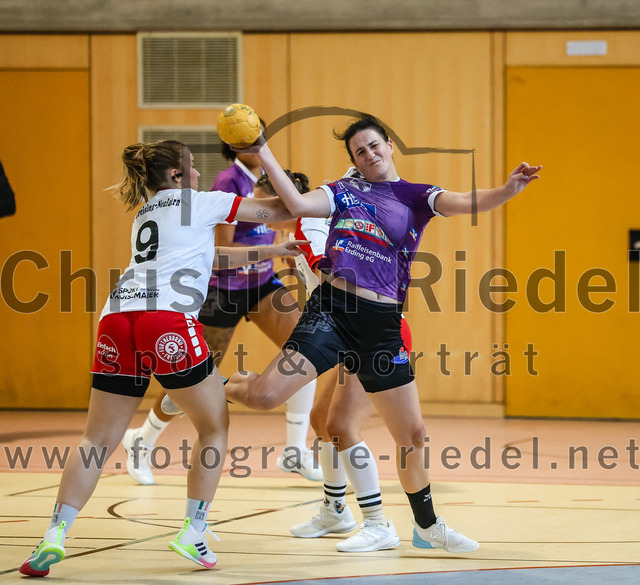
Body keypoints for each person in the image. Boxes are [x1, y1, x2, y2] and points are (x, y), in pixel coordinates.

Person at [225, 114, 542, 553]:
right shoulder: (341, 192)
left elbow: (465, 201)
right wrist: (262, 149)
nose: (369, 154)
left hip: (381, 325)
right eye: (360, 151)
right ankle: (214, 386)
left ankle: (427, 526)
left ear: (390, 145)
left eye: (374, 145)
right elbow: (295, 204)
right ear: (354, 161)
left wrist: (507, 190)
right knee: (264, 396)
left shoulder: (415, 196)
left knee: (411, 435)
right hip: (331, 313)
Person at [19, 139, 306, 577]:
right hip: (166, 320)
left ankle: (54, 534)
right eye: (192, 168)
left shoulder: (146, 213)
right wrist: (266, 155)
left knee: (95, 441)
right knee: (214, 426)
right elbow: (286, 209)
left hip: (117, 319)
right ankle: (193, 531)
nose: (198, 175)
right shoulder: (202, 202)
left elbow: (208, 257)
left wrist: (272, 252)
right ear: (175, 175)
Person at [122, 135, 321, 485]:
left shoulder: (260, 178)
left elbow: (272, 222)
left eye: (260, 138)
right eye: (250, 139)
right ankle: (144, 438)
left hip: (260, 283)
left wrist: (279, 249)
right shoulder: (228, 181)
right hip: (223, 289)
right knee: (194, 376)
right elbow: (221, 247)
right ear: (237, 144)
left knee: (306, 349)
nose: (257, 143)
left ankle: (295, 450)